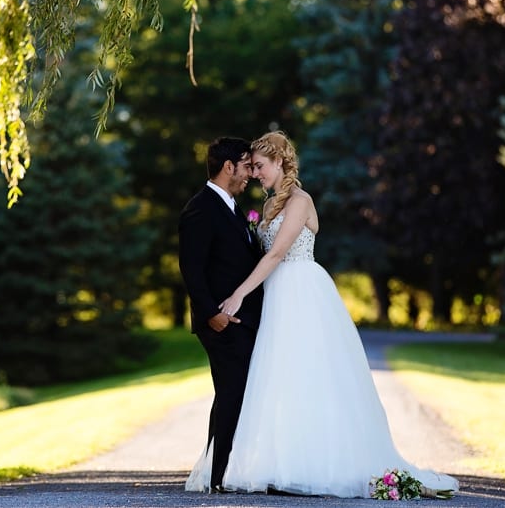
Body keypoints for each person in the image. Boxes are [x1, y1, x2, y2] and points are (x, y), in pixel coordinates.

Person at [188, 130, 459, 498]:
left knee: (311, 377)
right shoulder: (267, 207)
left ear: (281, 162)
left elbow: (276, 254)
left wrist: (237, 295)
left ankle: (317, 463)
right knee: (275, 382)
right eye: (251, 167)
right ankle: (275, 463)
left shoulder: (300, 200)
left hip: (302, 293)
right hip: (274, 299)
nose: (255, 174)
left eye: (261, 166)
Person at [178, 136, 264, 493]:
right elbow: (191, 269)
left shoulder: (231, 207)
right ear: (228, 167)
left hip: (241, 321)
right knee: (231, 392)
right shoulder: (201, 209)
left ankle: (222, 471)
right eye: (246, 166)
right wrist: (212, 313)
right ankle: (217, 476)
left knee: (234, 392)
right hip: (222, 322)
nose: (250, 175)